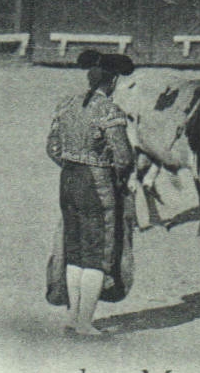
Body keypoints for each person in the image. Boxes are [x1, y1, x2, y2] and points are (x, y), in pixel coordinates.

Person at [45, 50, 136, 335]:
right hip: (97, 184)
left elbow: (52, 148)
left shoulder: (66, 104)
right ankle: (85, 321)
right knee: (97, 251)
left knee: (74, 248)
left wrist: (74, 163)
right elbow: (124, 157)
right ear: (113, 82)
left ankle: (72, 316)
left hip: (68, 181)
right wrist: (112, 174)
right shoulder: (109, 111)